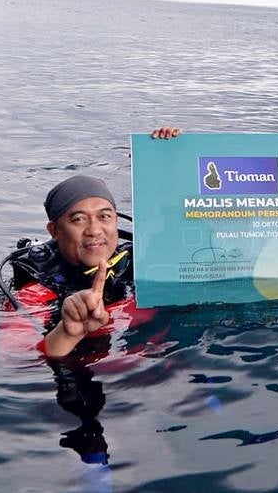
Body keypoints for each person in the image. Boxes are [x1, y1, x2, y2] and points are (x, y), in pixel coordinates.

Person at [36, 127, 181, 357]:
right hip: (89, 381)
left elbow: (187, 225)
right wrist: (67, 333)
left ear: (116, 220)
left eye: (104, 216)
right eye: (78, 219)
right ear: (54, 230)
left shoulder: (141, 261)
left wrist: (169, 157)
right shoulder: (38, 286)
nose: (94, 230)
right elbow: (16, 359)